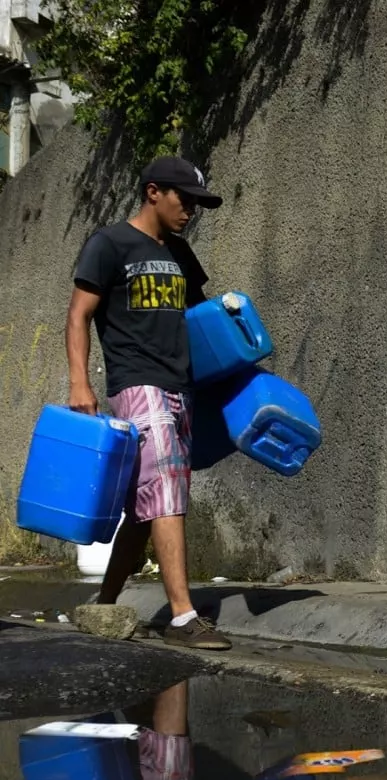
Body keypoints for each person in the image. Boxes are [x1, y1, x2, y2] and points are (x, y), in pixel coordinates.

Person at [66, 155, 231, 652]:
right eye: (185, 200)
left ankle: (104, 604)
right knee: (165, 493)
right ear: (154, 191)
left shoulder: (180, 253)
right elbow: (78, 316)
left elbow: (201, 320)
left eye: (198, 203)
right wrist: (80, 383)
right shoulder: (109, 244)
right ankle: (182, 617)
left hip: (182, 388)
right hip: (138, 385)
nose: (192, 211)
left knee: (145, 509)